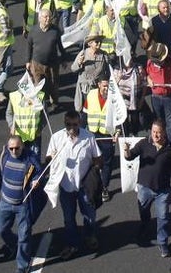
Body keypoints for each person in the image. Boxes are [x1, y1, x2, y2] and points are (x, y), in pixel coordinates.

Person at [46, 110, 101, 260]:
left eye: (74, 124)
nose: (71, 127)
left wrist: (94, 173)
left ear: (80, 123)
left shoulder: (88, 137)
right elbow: (48, 159)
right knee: (69, 218)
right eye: (68, 124)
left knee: (90, 215)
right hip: (65, 186)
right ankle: (72, 244)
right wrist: (53, 158)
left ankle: (89, 235)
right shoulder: (56, 138)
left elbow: (97, 158)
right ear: (64, 124)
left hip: (84, 185)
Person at [124, 119, 171, 258]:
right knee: (144, 211)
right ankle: (145, 225)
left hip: (162, 190)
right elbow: (129, 157)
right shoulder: (144, 143)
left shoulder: (170, 148)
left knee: (163, 217)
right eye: (153, 132)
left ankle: (163, 243)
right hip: (144, 188)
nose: (155, 135)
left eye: (158, 133)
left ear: (164, 133)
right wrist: (126, 150)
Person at [0, 138, 41, 273]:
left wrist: (35, 181)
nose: (14, 151)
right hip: (5, 202)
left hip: (23, 204)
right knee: (1, 229)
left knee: (24, 236)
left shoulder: (30, 159)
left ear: (22, 147)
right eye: (12, 148)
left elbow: (38, 172)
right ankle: (13, 244)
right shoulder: (5, 155)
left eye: (17, 148)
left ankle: (22, 266)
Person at [25, 9, 63, 108]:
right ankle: (40, 104)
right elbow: (29, 46)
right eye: (45, 17)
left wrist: (64, 58)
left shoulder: (55, 30)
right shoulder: (33, 30)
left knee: (53, 85)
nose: (48, 19)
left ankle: (54, 103)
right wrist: (27, 61)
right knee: (38, 85)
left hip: (52, 64)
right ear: (39, 18)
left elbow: (60, 46)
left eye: (49, 16)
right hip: (37, 64)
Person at [145, 43, 171, 145]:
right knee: (158, 121)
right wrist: (149, 80)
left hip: (169, 96)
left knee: (170, 123)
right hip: (155, 97)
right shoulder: (149, 63)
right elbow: (147, 75)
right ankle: (159, 143)